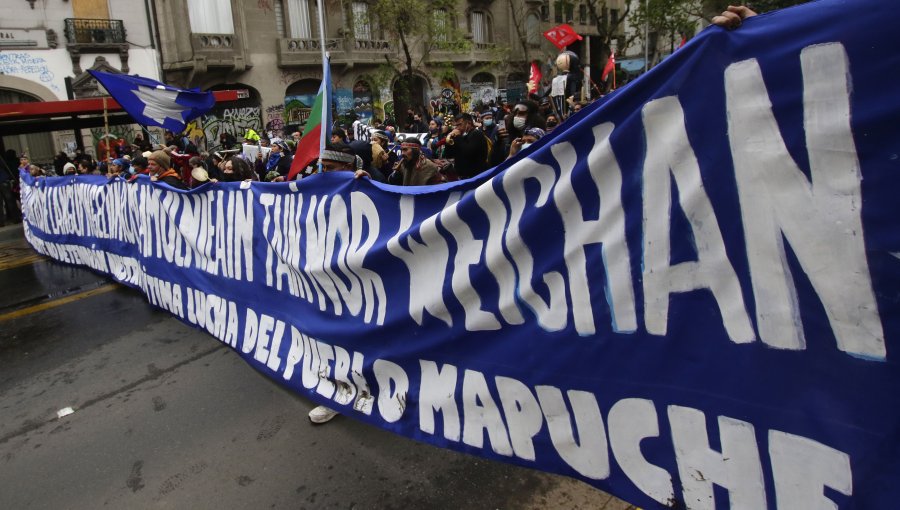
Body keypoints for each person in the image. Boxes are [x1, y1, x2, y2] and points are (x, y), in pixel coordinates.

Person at [443, 113, 489, 179]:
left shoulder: (476, 134)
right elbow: (448, 155)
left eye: (460, 124)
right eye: (456, 125)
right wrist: (448, 142)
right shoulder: (461, 136)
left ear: (468, 123)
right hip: (462, 176)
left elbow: (468, 153)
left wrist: (458, 137)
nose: (457, 128)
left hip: (476, 176)